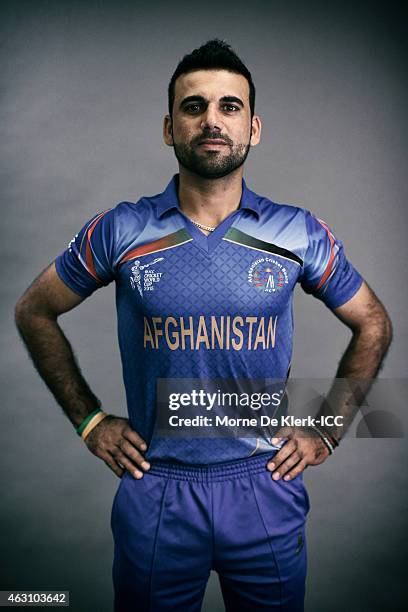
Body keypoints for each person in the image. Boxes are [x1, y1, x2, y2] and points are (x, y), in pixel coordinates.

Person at [15, 39, 392, 612]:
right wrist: (90, 420)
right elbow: (33, 310)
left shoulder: (297, 232)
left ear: (253, 128)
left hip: (264, 484)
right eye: (193, 107)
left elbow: (373, 323)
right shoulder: (123, 229)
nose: (211, 120)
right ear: (169, 127)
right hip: (157, 487)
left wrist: (328, 429)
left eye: (229, 106)